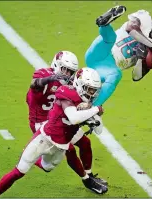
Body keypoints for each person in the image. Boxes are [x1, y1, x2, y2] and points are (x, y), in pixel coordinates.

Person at [0, 68, 107, 198]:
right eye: (90, 89)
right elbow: (73, 117)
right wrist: (95, 110)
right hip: (44, 139)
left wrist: (93, 118)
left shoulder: (86, 104)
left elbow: (99, 130)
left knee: (47, 168)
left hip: (60, 147)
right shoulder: (66, 92)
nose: (92, 93)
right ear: (79, 84)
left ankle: (34, 158)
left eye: (94, 90)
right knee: (19, 172)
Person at [26, 51, 107, 190]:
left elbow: (74, 101)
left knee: (85, 143)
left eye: (71, 71)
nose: (68, 74)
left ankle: (90, 174)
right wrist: (51, 78)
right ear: (57, 64)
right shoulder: (44, 75)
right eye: (65, 69)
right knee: (68, 149)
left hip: (60, 118)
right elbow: (34, 85)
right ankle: (86, 181)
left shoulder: (70, 85)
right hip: (41, 121)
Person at [85, 6, 152, 106]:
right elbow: (130, 28)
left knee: (114, 75)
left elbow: (136, 76)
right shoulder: (145, 18)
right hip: (101, 51)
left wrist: (140, 59)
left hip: (108, 66)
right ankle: (104, 24)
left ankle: (92, 105)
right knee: (111, 38)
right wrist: (150, 45)